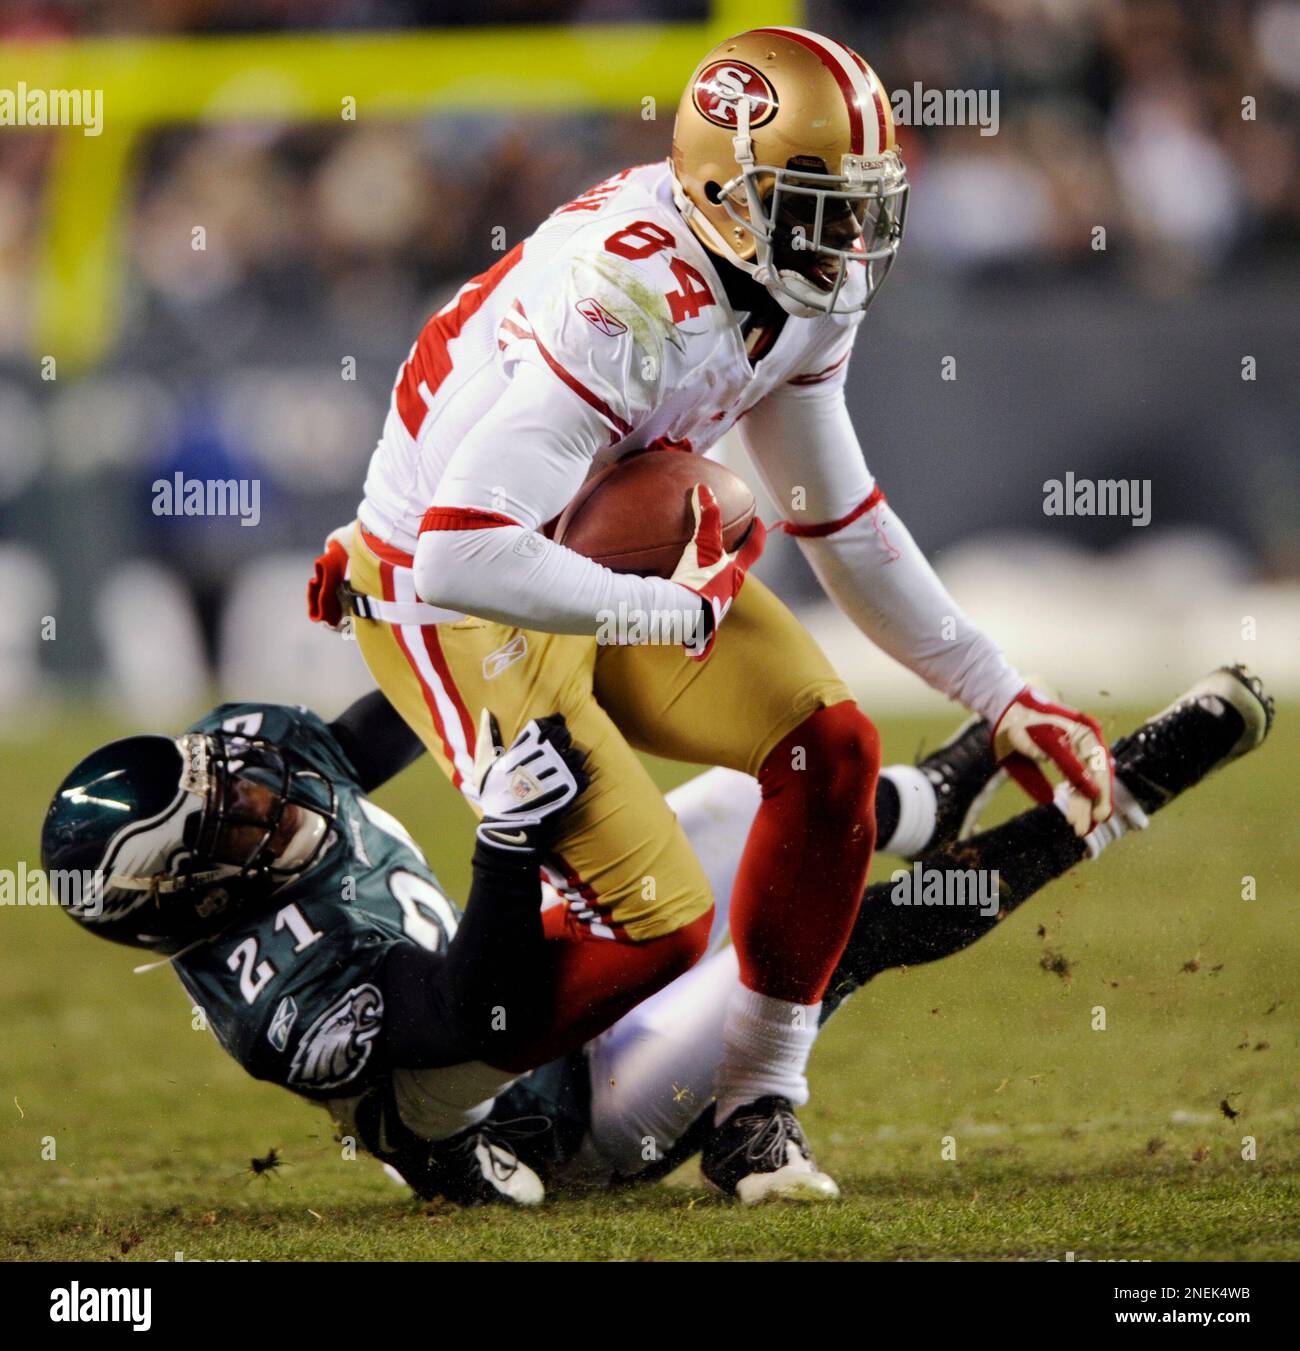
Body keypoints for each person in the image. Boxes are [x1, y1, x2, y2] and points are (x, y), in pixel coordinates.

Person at [312, 24, 1113, 1200]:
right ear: (724, 192)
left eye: (863, 203)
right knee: (658, 928)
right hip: (449, 590)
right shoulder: (628, 293)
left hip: (591, 548)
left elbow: (834, 514)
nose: (849, 237)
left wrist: (1002, 695)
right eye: (817, 202)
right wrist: (658, 612)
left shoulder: (791, 287)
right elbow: (459, 556)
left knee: (829, 749)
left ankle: (757, 1109)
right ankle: (413, 1097)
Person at [42, 665, 1271, 1204]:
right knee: (829, 938)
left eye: (235, 779)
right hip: (558, 1107)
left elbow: (406, 704)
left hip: (536, 962)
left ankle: (939, 784)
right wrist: (508, 844)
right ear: (197, 895)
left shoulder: (265, 783)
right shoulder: (286, 1004)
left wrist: (488, 574)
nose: (262, 786)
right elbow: (489, 1010)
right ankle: (1122, 798)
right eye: (236, 813)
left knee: (755, 795)